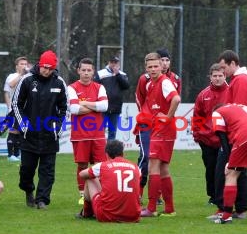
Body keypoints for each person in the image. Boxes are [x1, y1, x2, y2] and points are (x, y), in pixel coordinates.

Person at [11, 50, 68, 210]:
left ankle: (42, 200)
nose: (46, 71)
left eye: (50, 69)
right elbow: (16, 103)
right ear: (39, 64)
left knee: (47, 171)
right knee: (26, 170)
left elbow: (65, 108)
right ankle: (28, 190)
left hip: (50, 135)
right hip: (29, 134)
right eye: (44, 67)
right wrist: (24, 125)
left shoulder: (59, 82)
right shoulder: (27, 80)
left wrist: (59, 128)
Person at [135, 48, 181, 199]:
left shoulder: (171, 80)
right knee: (147, 158)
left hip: (162, 126)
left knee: (159, 165)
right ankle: (140, 193)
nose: (154, 68)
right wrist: (145, 116)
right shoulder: (146, 81)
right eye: (151, 66)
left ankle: (156, 200)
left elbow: (175, 99)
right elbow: (141, 100)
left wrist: (168, 117)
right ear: (146, 68)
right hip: (148, 124)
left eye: (157, 65)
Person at [215, 49, 247, 219]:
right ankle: (238, 208)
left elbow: (238, 108)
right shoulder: (239, 79)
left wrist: (233, 131)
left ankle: (229, 209)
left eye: (224, 68)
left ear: (233, 64)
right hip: (238, 131)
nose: (223, 72)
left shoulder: (241, 80)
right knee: (237, 169)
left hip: (238, 131)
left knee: (230, 169)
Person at [67, 57, 108, 205]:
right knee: (82, 165)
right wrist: (94, 106)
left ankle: (101, 193)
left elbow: (104, 106)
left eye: (89, 70)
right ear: (78, 71)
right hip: (80, 134)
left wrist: (83, 102)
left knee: (100, 164)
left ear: (93, 72)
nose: (86, 73)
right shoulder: (71, 88)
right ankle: (82, 195)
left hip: (97, 134)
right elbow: (74, 109)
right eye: (83, 70)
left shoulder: (99, 87)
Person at [77, 140, 141, 223]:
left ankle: (86, 212)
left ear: (106, 154)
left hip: (107, 215)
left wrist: (100, 177)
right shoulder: (135, 167)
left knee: (89, 177)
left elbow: (82, 174)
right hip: (134, 216)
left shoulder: (103, 165)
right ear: (122, 153)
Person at [192, 63, 229, 206]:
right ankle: (212, 196)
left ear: (225, 76)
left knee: (224, 169)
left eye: (220, 76)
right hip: (207, 139)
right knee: (210, 168)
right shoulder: (203, 94)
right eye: (215, 76)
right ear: (210, 77)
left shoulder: (231, 92)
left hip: (225, 139)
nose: (218, 78)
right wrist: (197, 134)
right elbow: (197, 116)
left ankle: (226, 195)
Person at [94, 55, 129, 140]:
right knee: (100, 131)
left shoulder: (122, 74)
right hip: (102, 108)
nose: (113, 64)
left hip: (115, 108)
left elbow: (126, 86)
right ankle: (100, 152)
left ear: (118, 64)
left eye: (115, 62)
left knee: (112, 133)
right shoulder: (101, 73)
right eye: (112, 62)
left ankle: (110, 153)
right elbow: (94, 88)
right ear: (109, 63)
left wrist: (117, 75)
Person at [3, 56, 29, 162]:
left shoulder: (29, 77)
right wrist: (9, 107)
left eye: (25, 64)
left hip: (25, 109)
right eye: (21, 64)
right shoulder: (12, 76)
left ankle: (17, 154)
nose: (24, 66)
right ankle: (10, 155)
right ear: (17, 66)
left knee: (20, 131)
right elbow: (10, 86)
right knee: (13, 130)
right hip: (14, 108)